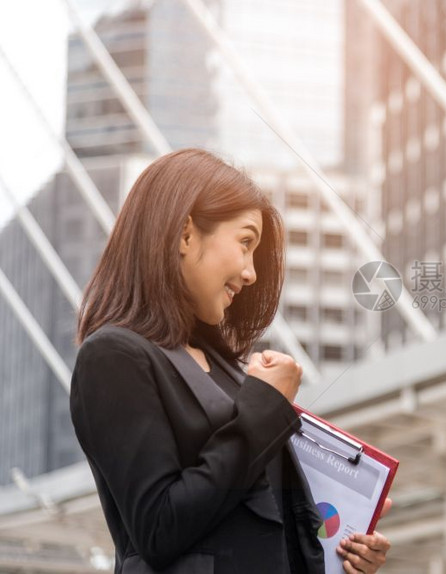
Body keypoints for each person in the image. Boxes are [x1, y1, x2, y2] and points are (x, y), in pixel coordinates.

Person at [71, 149, 390, 574]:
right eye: (245, 243)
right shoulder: (113, 357)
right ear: (185, 234)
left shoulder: (226, 370)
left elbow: (261, 524)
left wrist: (343, 554)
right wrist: (262, 410)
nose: (251, 272)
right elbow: (159, 527)